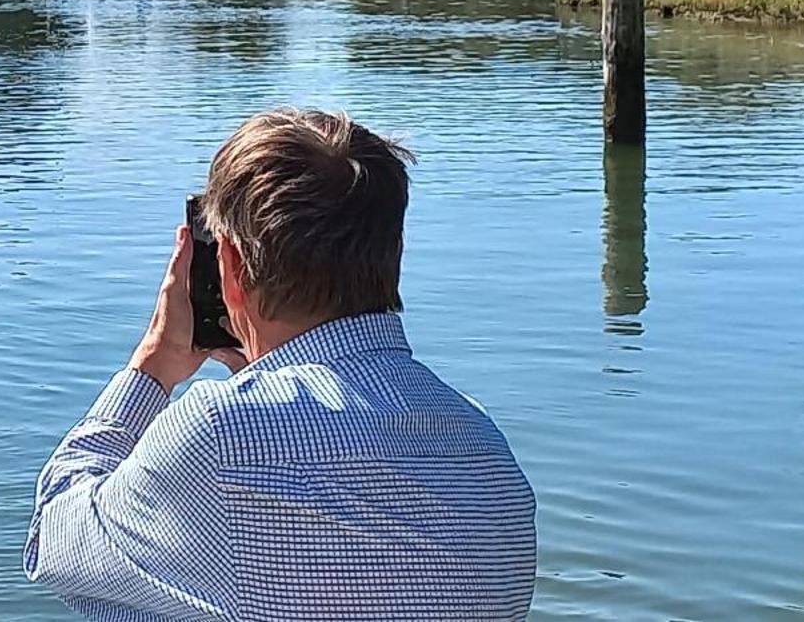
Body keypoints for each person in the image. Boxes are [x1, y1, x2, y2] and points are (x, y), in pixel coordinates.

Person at [26, 109, 537, 620]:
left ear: (230, 265)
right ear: (391, 254)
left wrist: (152, 366)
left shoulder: (218, 435)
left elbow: (54, 541)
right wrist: (261, 376)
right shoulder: (485, 448)